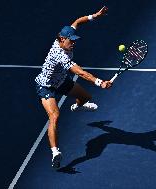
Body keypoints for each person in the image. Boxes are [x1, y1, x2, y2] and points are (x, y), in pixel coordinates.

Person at [35, 6, 112, 168]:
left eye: (75, 40)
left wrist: (94, 16)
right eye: (71, 40)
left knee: (86, 98)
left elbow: (77, 21)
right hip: (46, 86)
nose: (74, 43)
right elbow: (81, 73)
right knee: (54, 115)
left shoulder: (66, 35)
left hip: (61, 80)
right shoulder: (59, 54)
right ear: (62, 39)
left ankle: (77, 106)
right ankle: (55, 152)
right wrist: (100, 82)